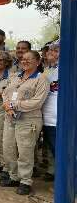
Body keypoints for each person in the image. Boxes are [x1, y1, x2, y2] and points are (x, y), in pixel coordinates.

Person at [0, 51, 49, 195]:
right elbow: (5, 92)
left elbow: (38, 101)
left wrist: (15, 105)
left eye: (29, 59)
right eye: (23, 59)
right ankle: (14, 176)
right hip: (10, 117)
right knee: (8, 148)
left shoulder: (41, 79)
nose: (25, 61)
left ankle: (25, 181)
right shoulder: (16, 76)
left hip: (28, 120)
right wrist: (6, 105)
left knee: (25, 151)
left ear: (38, 62)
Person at [41, 41, 59, 181]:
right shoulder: (47, 70)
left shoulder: (67, 68)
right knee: (53, 150)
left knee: (62, 152)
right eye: (50, 50)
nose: (51, 53)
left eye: (56, 50)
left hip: (59, 118)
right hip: (47, 118)